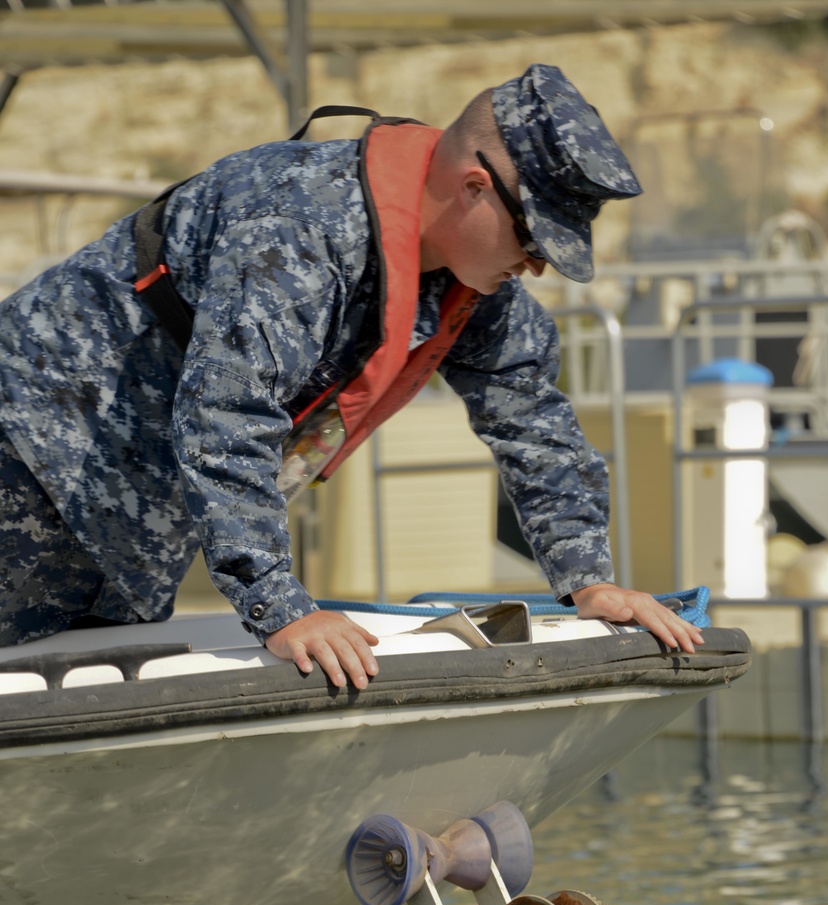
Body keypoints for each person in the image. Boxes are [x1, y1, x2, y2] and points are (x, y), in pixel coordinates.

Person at [0, 64, 703, 687]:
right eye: (532, 237)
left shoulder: (474, 292)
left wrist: (588, 581)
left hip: (138, 523)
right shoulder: (299, 225)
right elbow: (227, 413)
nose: (537, 264)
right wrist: (280, 606)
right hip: (34, 459)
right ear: (475, 189)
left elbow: (533, 420)